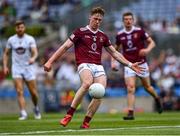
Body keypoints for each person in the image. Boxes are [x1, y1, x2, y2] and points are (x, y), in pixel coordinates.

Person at [44, 7, 143, 129]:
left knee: (100, 93)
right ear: (90, 17)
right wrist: (50, 62)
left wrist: (130, 64)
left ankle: (86, 122)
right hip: (84, 64)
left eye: (100, 20)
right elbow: (64, 47)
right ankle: (69, 115)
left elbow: (115, 53)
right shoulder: (79, 32)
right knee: (86, 83)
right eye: (95, 18)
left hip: (98, 66)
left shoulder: (103, 36)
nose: (97, 21)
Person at [111, 12, 163, 120]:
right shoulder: (120, 35)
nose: (128, 21)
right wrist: (113, 62)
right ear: (123, 21)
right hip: (129, 65)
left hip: (141, 63)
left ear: (133, 20)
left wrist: (147, 50)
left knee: (147, 87)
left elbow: (152, 42)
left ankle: (157, 98)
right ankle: (130, 112)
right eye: (126, 19)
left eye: (130, 19)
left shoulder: (140, 31)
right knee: (130, 88)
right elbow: (114, 50)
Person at [3, 20, 41, 120]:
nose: (20, 29)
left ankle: (36, 107)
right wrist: (5, 66)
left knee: (33, 92)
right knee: (19, 91)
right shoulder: (11, 40)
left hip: (28, 67)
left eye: (22, 27)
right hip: (16, 68)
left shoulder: (30, 39)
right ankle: (23, 112)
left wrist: (33, 58)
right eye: (18, 27)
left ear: (24, 28)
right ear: (15, 28)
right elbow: (6, 54)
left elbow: (35, 52)